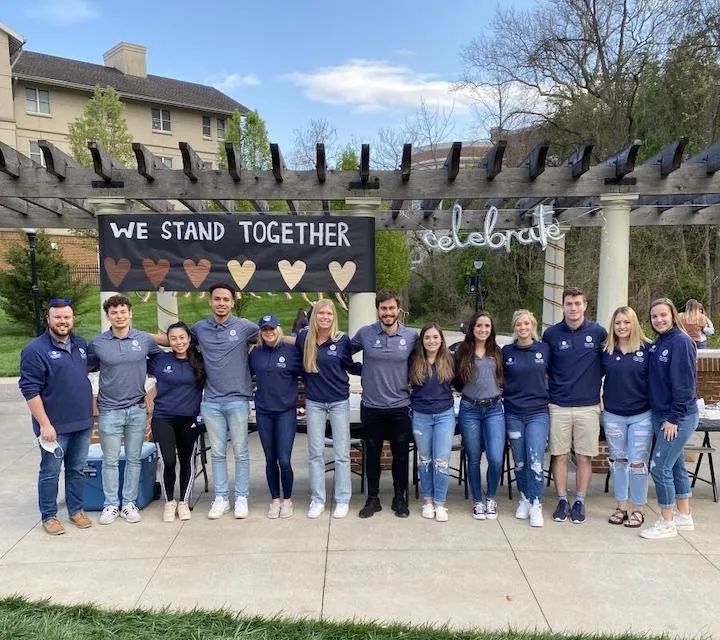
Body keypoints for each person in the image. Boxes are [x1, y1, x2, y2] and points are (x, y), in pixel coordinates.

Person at [19, 300, 94, 535]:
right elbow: (30, 390)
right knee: (50, 472)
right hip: (54, 427)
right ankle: (49, 516)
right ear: (48, 320)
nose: (63, 322)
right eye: (58, 317)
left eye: (67, 317)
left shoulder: (80, 344)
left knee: (77, 469)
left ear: (73, 319)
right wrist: (44, 424)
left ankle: (76, 510)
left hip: (82, 422)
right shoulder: (34, 350)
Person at [88, 294, 162, 525]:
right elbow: (83, 369)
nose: (119, 316)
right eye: (114, 313)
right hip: (110, 409)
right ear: (108, 316)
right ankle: (110, 504)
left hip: (137, 408)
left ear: (130, 313)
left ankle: (129, 503)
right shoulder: (98, 343)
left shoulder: (144, 339)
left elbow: (161, 359)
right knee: (109, 459)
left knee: (133, 458)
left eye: (123, 312)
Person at [191, 283, 259, 520]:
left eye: (226, 299)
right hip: (211, 401)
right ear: (210, 302)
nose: (221, 303)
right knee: (218, 453)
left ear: (232, 302)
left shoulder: (245, 327)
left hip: (238, 400)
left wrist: (306, 341)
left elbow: (273, 336)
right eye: (217, 299)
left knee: (240, 452)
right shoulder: (200, 328)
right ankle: (221, 498)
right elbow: (175, 338)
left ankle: (241, 498)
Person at [542, 287, 607, 524]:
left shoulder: (598, 332)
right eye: (569, 304)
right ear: (563, 306)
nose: (573, 308)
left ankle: (579, 501)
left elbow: (609, 362)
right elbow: (546, 370)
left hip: (588, 406)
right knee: (559, 455)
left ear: (585, 305)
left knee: (583, 457)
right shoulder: (551, 334)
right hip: (558, 405)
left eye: (578, 303)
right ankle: (561, 499)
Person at [351, 291, 418, 519]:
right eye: (383, 308)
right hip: (372, 406)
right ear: (377, 310)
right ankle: (373, 499)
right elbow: (342, 355)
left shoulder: (410, 336)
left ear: (398, 309)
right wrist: (360, 371)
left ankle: (399, 498)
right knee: (372, 455)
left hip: (400, 406)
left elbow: (422, 363)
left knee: (400, 455)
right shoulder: (365, 334)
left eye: (391, 308)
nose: (388, 313)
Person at [296, 299, 361, 519]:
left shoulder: (342, 340)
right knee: (315, 453)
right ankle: (317, 499)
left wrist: (375, 368)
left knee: (342, 453)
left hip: (338, 402)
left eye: (329, 314)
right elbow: (296, 362)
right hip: (314, 402)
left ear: (334, 317)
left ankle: (342, 499)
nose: (325, 317)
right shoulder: (305, 338)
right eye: (321, 313)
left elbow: (350, 366)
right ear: (314, 315)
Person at [640, 298, 699, 539]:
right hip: (660, 413)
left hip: (677, 416)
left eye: (663, 315)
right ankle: (684, 517)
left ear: (673, 315)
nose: (659, 320)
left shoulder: (681, 342)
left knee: (659, 466)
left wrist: (673, 418)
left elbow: (685, 385)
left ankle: (667, 522)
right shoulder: (658, 343)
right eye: (654, 317)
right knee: (675, 465)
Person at [147, 322, 205, 522]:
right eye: (173, 338)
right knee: (168, 461)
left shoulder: (200, 360)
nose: (178, 342)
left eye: (182, 337)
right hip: (163, 418)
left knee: (188, 460)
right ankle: (170, 502)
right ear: (167, 341)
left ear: (189, 339)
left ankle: (183, 501)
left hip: (190, 419)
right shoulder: (159, 360)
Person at [601, 306, 653, 529]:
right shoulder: (605, 351)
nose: (622, 326)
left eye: (626, 322)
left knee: (638, 463)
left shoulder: (648, 350)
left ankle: (638, 510)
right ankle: (621, 507)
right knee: (619, 461)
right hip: (613, 415)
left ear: (634, 324)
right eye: (618, 323)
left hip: (642, 415)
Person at [249, 314, 302, 519]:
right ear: (261, 332)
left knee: (284, 460)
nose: (269, 332)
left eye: (272, 328)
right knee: (270, 459)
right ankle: (274, 500)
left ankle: (287, 500)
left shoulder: (290, 352)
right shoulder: (256, 353)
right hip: (263, 411)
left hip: (285, 412)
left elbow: (306, 373)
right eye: (265, 329)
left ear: (278, 329)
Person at [502, 310, 551, 527]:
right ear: (514, 328)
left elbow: (556, 375)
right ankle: (525, 498)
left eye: (526, 324)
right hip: (513, 412)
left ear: (533, 325)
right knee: (520, 461)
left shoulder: (544, 349)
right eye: (518, 325)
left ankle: (536, 503)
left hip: (538, 412)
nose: (523, 328)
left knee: (535, 460)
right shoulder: (506, 352)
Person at [455, 311, 505, 520]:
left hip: (494, 409)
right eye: (479, 326)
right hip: (470, 410)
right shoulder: (462, 351)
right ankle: (477, 500)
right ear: (472, 328)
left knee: (495, 457)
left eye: (487, 326)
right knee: (473, 458)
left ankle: (490, 496)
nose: (483, 330)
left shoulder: (498, 352)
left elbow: (505, 379)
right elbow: (455, 379)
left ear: (491, 328)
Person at [409, 323, 456, 522]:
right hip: (421, 415)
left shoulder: (449, 360)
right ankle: (427, 501)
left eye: (435, 337)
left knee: (441, 461)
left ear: (441, 340)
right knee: (425, 460)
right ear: (422, 341)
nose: (431, 341)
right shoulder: (414, 361)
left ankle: (440, 503)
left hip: (444, 415)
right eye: (427, 337)